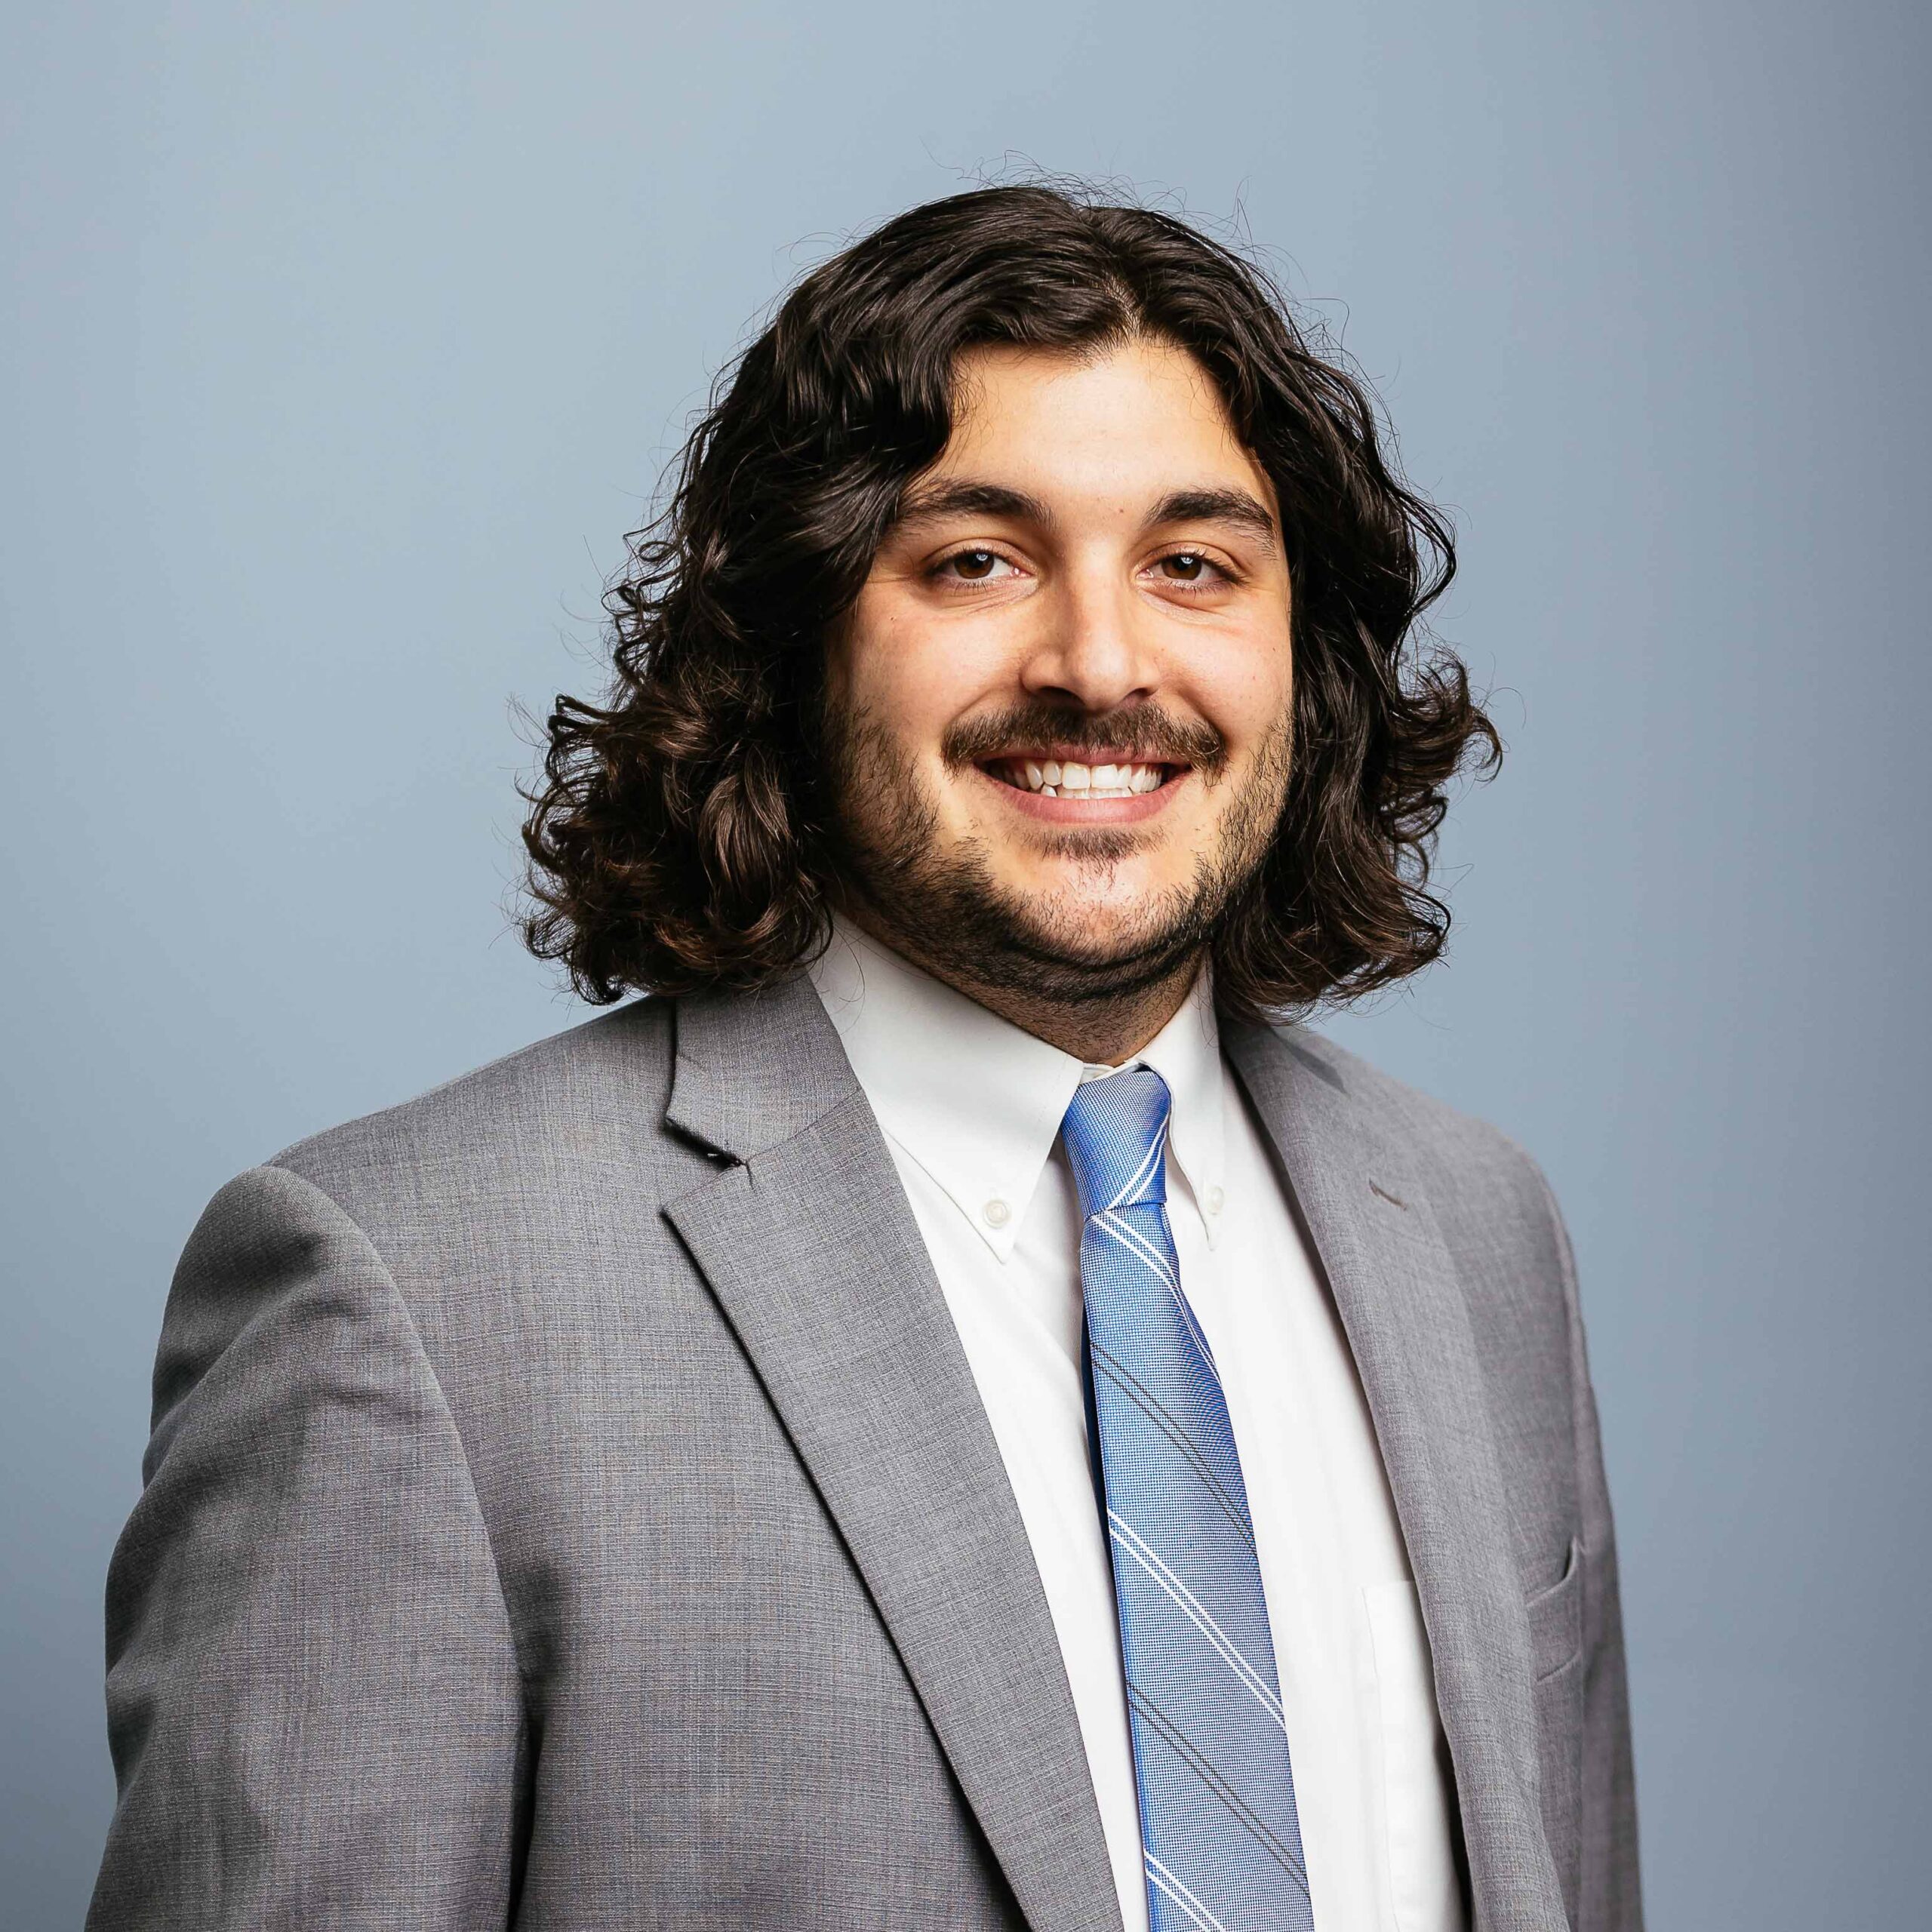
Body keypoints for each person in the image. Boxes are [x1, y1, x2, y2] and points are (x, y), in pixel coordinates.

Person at [89, 183, 1641, 1932]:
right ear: (797, 634)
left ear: (1309, 651)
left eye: (1193, 563)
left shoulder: (1473, 1230)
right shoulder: (408, 1297)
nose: (1102, 661)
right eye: (975, 558)